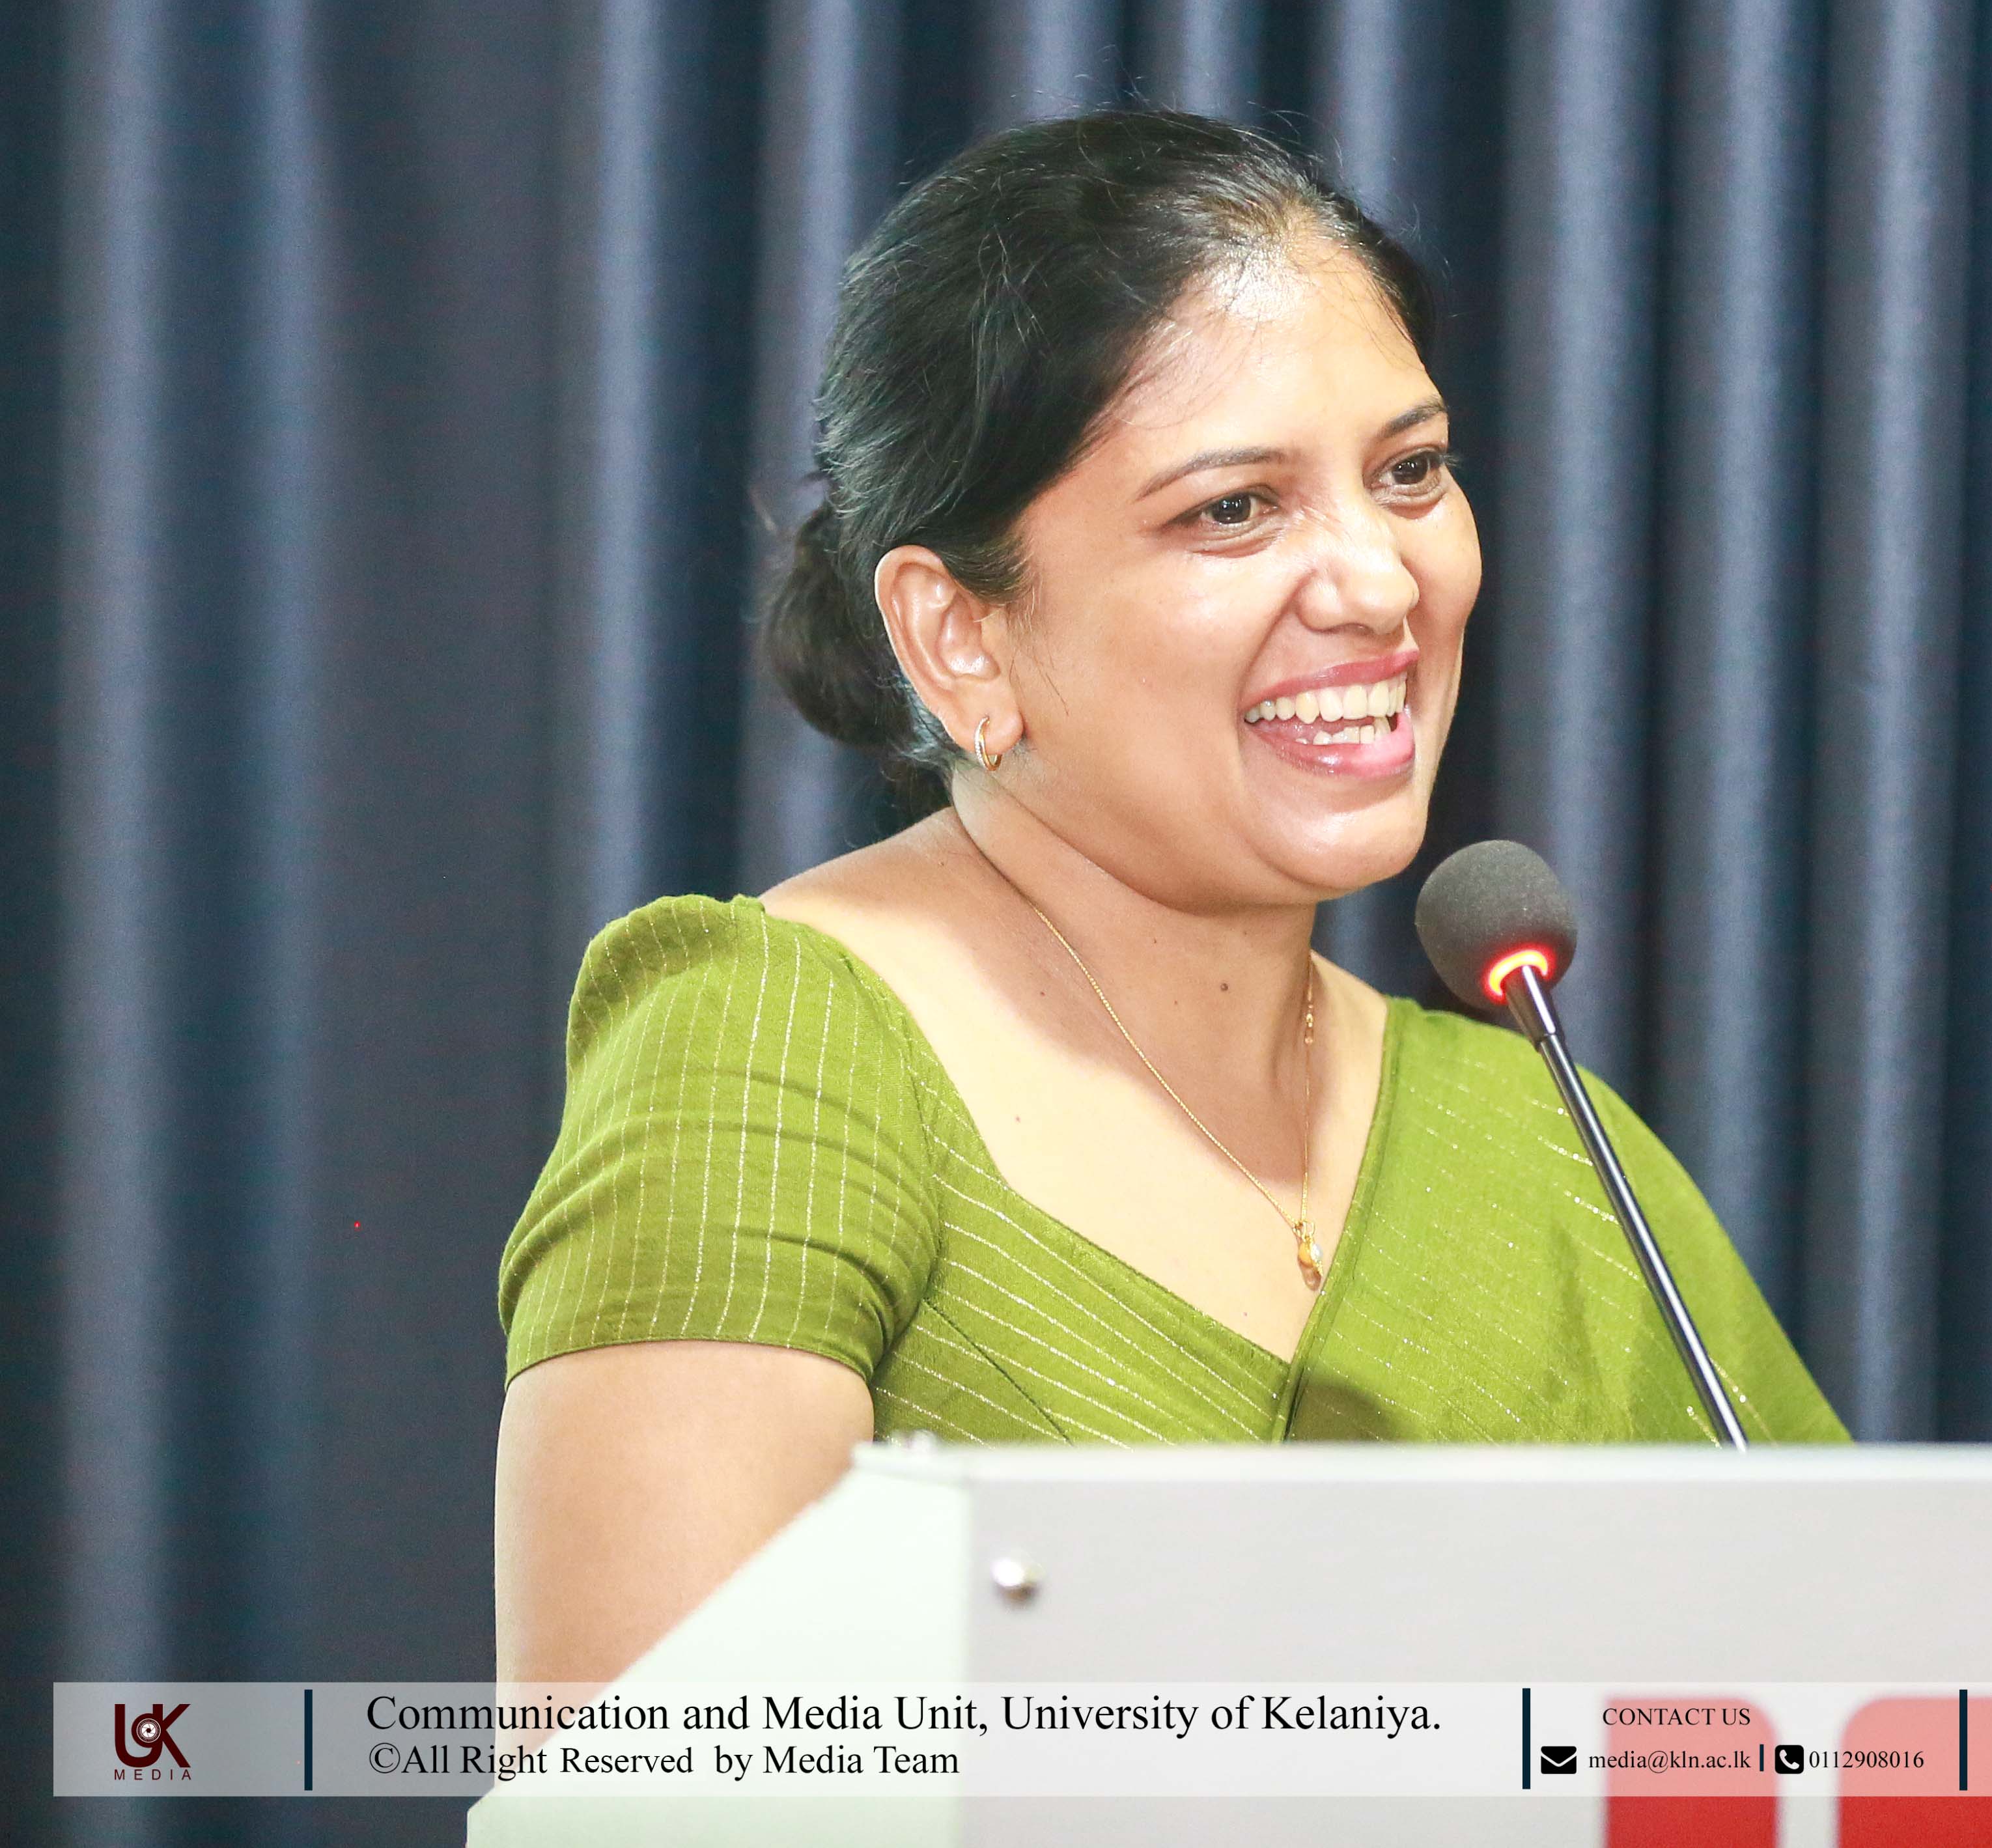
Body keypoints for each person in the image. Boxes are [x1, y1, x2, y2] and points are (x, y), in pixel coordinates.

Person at [493, 110, 1844, 1690]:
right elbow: (646, 1784)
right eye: (1233, 509)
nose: (1379, 582)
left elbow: (1890, 1719)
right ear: (958, 635)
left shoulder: (1544, 1140)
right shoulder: (773, 1050)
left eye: (1409, 472)